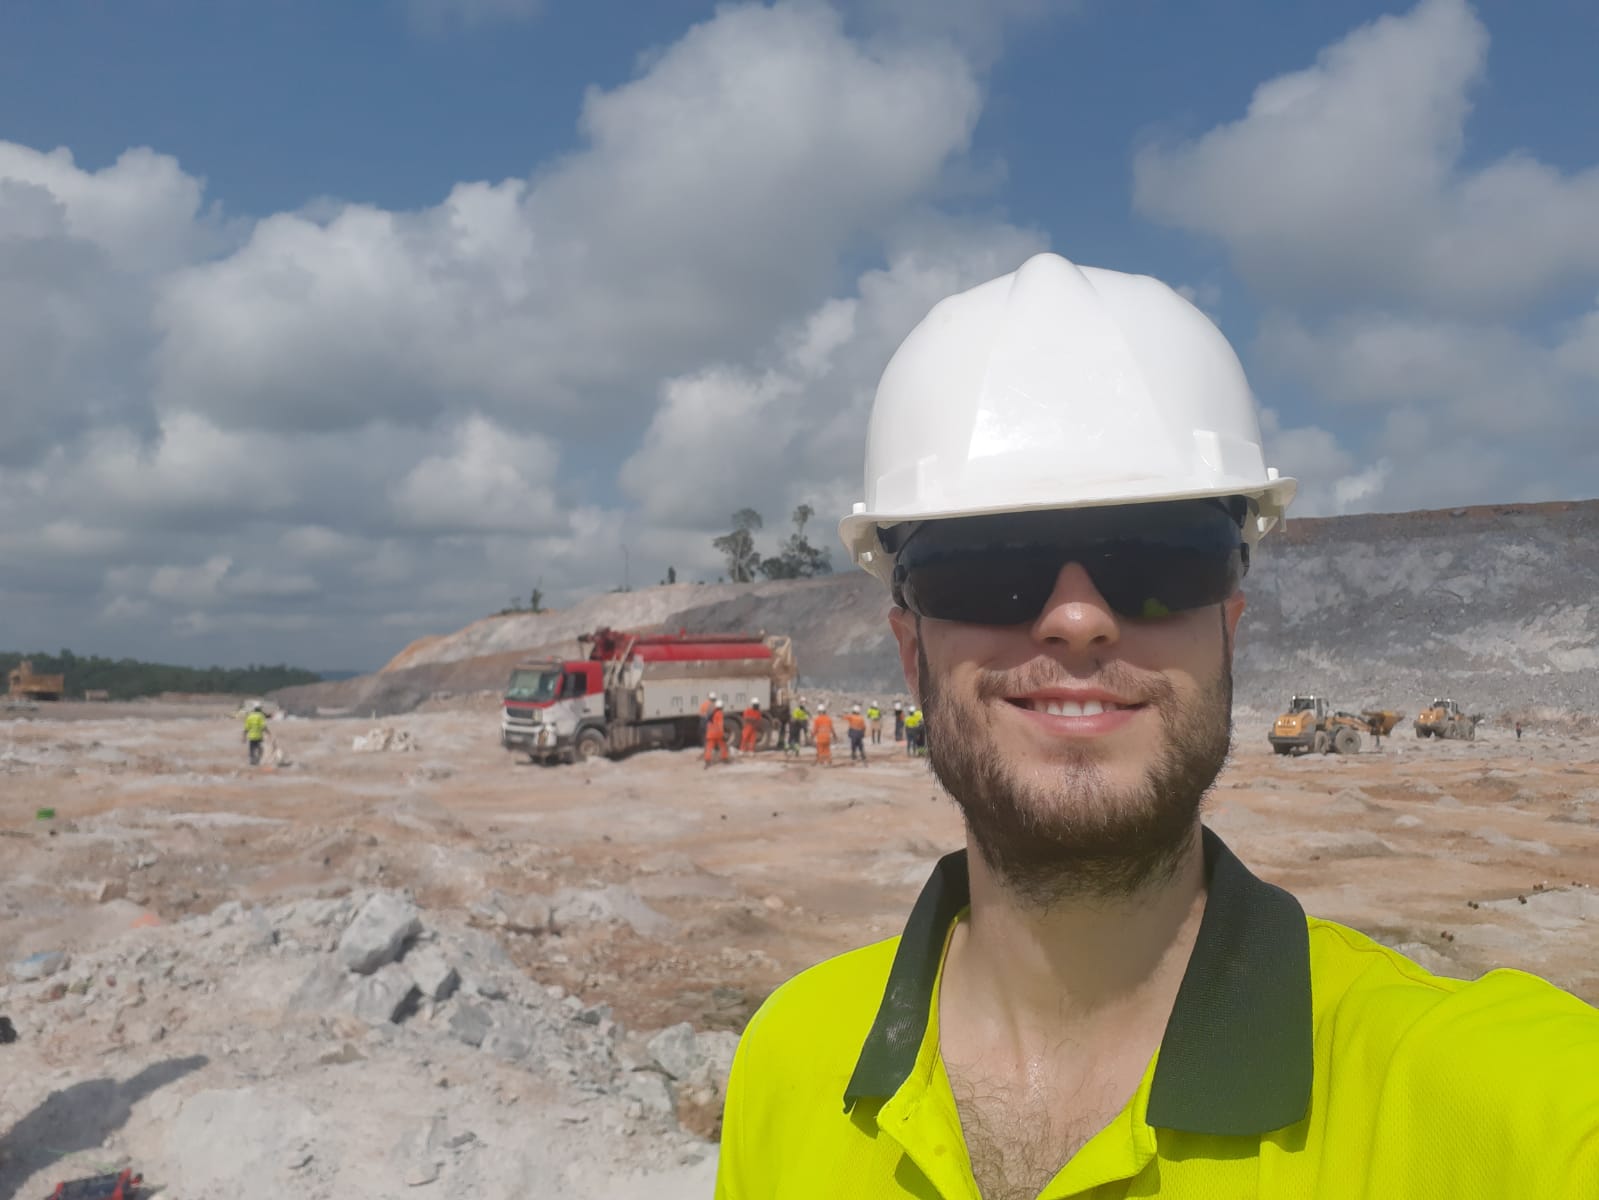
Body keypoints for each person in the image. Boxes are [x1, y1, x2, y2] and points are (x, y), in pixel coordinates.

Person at [715, 252, 1599, 1200]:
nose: (1076, 619)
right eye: (984, 564)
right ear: (908, 651)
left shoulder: (1507, 1105)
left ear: (1227, 628)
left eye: (1159, 556)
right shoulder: (791, 1059)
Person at [703, 699, 729, 768]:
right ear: (721, 706)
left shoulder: (712, 713)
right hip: (717, 733)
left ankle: (707, 761)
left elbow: (709, 723)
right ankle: (724, 758)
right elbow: (720, 725)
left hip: (710, 732)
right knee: (723, 746)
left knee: (709, 747)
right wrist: (723, 734)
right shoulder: (719, 713)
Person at [242, 700, 269, 766]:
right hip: (259, 736)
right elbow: (263, 726)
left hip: (251, 736)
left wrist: (244, 737)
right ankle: (258, 760)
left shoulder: (250, 716)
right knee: (260, 749)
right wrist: (268, 732)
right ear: (259, 708)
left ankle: (252, 761)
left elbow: (246, 728)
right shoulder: (260, 716)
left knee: (252, 749)